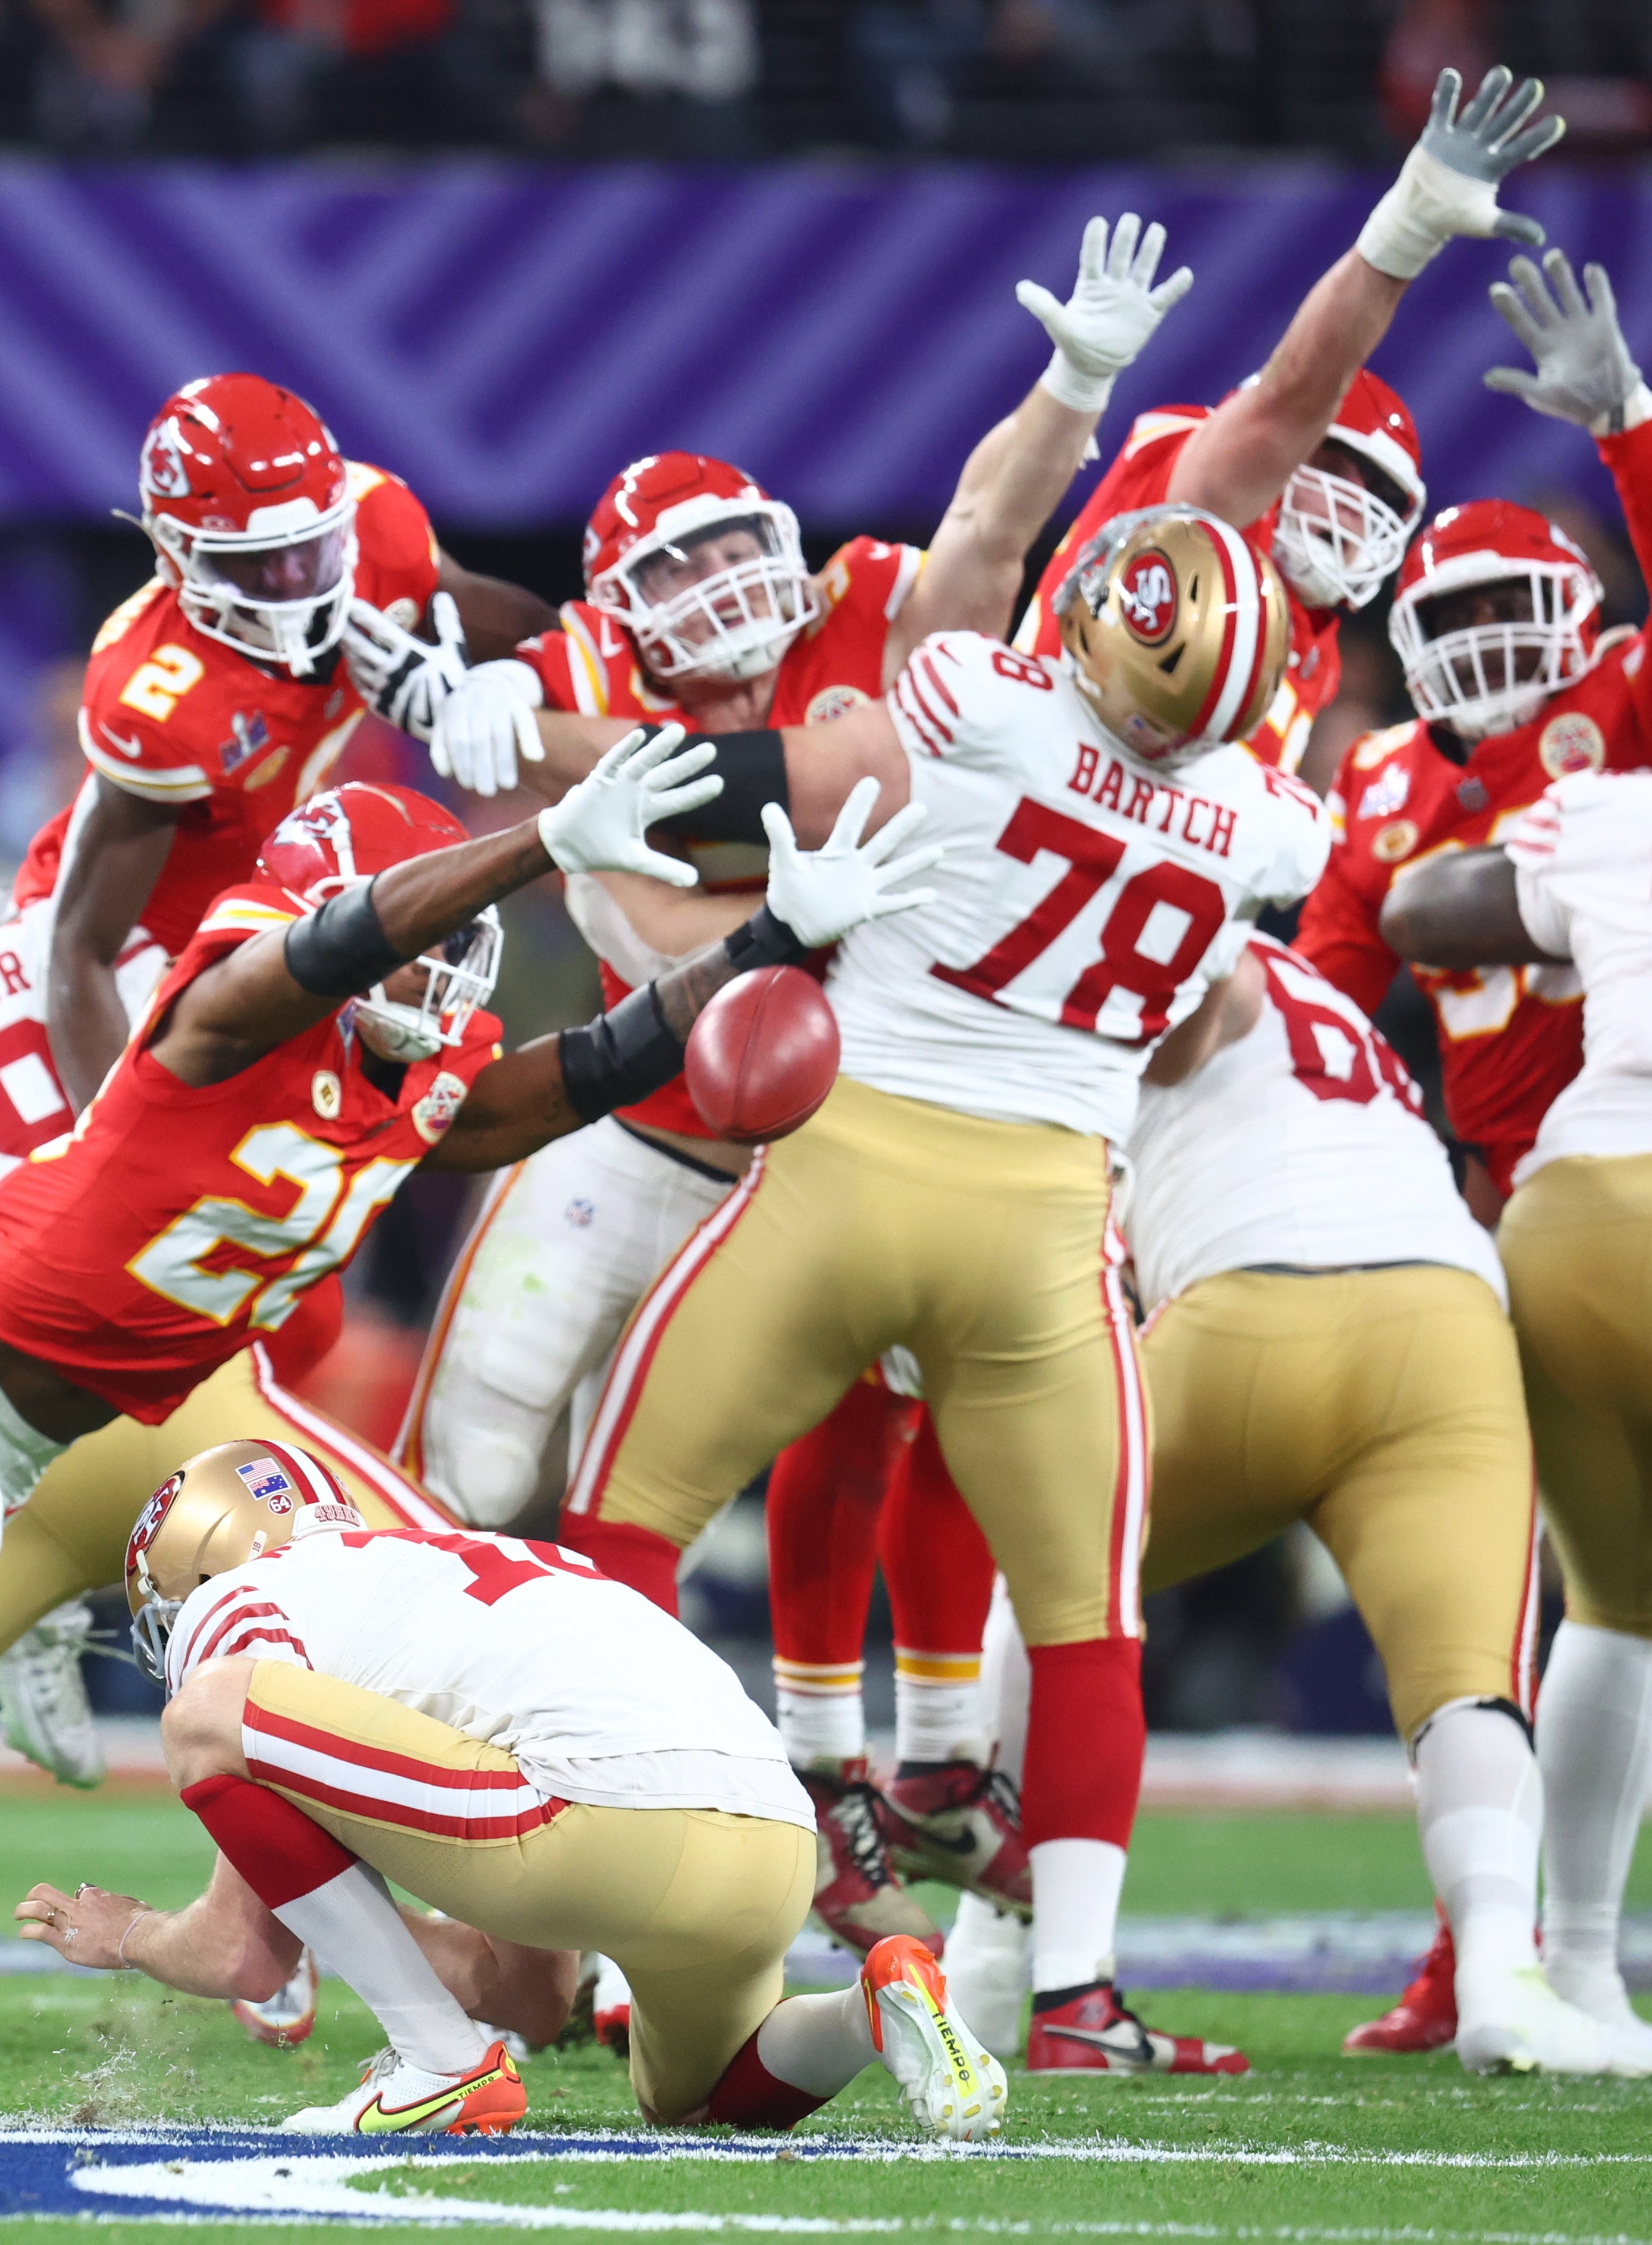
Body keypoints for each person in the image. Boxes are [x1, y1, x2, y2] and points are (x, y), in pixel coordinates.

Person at [0, 731, 931, 2091]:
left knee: (425, 1622)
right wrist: (532, 840)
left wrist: (764, 942)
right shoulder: (223, 1007)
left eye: (449, 951)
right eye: (412, 942)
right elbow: (310, 950)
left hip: (97, 1424)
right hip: (24, 1392)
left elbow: (573, 1070)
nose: (438, 977)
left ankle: (530, 1962)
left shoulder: (396, 1060)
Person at [380, 212, 1193, 1958]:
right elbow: (663, 928)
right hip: (643, 1128)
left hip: (830, 1144)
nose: (717, 596)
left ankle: (788, 1807)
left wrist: (1068, 390)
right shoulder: (565, 689)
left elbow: (985, 531)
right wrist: (531, 735)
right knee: (470, 1466)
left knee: (797, 1447)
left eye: (733, 553)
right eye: (669, 576)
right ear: (613, 612)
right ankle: (404, 1825)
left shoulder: (872, 613)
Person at [557, 505, 1329, 2076]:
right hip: (1042, 1220)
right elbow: (1201, 1019)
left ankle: (638, 1941)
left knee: (618, 1524)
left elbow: (766, 780)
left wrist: (579, 799)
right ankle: (1077, 1997)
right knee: (1086, 1623)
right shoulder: (1265, 821)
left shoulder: (978, 699)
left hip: (844, 1165)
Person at [1282, 251, 1652, 2056]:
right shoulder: (1393, 776)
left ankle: (1530, 1951)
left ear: (1581, 616)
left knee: (1631, 1592)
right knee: (1526, 1584)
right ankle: (1495, 1944)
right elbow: (1330, 977)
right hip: (1494, 1193)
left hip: (1574, 1183)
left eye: (1509, 609)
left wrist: (1631, 432)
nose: (1483, 646)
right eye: (1449, 613)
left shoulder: (1624, 723)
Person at [949, 935, 1616, 2075]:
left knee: (1055, 1587)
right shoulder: (1309, 991)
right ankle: (1500, 1974)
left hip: (1247, 1297)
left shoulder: (1114, 920)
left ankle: (992, 1959)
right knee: (1466, 1683)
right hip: (1445, 1321)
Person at [10, 1439, 1007, 2140]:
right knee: (701, 2102)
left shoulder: (242, 1596)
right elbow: (533, 1996)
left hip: (595, 1820)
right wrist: (329, 1917)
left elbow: (238, 1947)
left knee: (204, 1715)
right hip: (769, 1843)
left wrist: (131, 1933)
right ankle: (872, 2006)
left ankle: (438, 2065)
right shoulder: (447, 1578)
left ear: (202, 1562)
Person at [1373, 653, 1652, 2080]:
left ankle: (1574, 1962)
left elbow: (1418, 908)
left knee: (1621, 1606)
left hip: (1561, 1217)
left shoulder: (1618, 808)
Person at [1017, 64, 1566, 786]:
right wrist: (1405, 229)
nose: (1350, 506)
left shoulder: (1315, 646)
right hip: (1023, 809)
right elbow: (1291, 395)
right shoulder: (1191, 497)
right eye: (1330, 466)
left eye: (1374, 491)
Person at [14, 372, 550, 1110]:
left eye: (309, 547)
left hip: (275, 921)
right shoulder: (156, 693)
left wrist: (496, 681)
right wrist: (112, 1148)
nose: (293, 579)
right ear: (174, 554)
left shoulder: (377, 529)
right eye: (253, 560)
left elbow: (543, 640)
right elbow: (80, 950)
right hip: (147, 955)